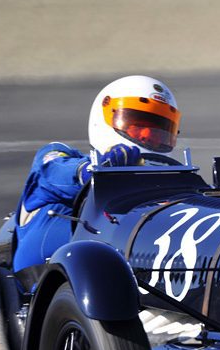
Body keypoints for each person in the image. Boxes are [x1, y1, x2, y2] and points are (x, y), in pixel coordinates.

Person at [13, 75, 182, 272]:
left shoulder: (171, 180)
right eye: (138, 126)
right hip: (42, 280)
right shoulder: (56, 157)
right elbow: (56, 171)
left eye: (158, 131)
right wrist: (92, 170)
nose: (147, 136)